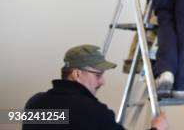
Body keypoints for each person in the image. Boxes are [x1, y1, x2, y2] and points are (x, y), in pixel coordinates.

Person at [24, 44, 168, 130]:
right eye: (97, 75)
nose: (102, 82)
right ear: (77, 74)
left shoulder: (34, 103)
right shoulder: (92, 111)